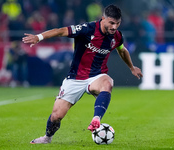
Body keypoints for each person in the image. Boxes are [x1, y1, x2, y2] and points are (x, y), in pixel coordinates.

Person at [22, 4, 143, 144]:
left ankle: (96, 119)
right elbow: (61, 31)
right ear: (103, 19)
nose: (114, 27)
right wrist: (39, 37)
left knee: (108, 82)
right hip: (75, 78)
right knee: (56, 116)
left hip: (97, 76)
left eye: (118, 23)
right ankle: (47, 137)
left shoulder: (116, 36)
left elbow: (122, 50)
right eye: (111, 23)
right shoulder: (87, 29)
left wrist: (131, 67)